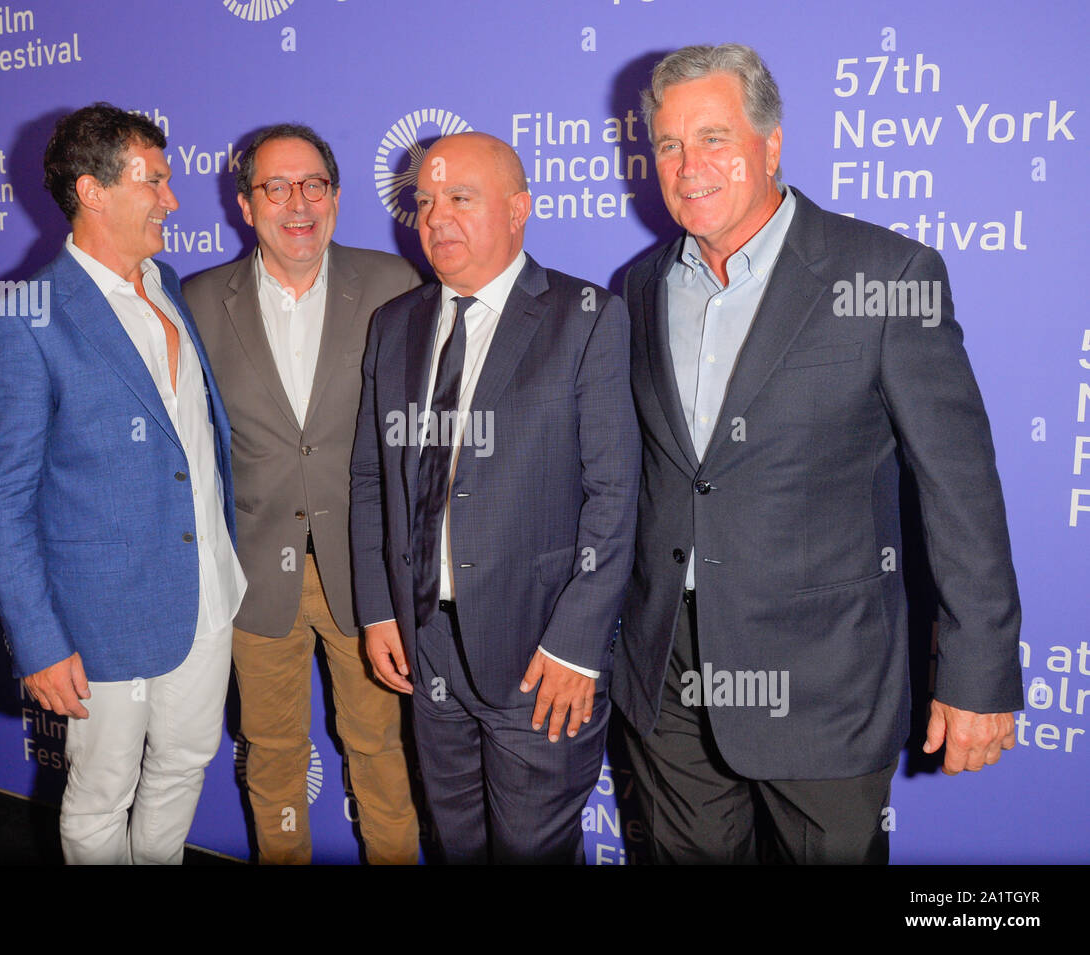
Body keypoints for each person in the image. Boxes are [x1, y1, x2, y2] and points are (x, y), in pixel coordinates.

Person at [616, 43, 1022, 864]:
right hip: (669, 682)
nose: (688, 166)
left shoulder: (887, 273)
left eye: (715, 138)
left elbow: (960, 488)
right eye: (668, 145)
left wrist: (978, 673)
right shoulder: (640, 285)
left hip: (824, 686)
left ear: (770, 145)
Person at [349, 131, 639, 864]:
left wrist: (576, 645)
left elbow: (614, 494)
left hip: (539, 653)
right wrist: (380, 607)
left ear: (520, 210)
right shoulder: (394, 325)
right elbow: (368, 479)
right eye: (423, 201)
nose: (436, 217)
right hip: (427, 644)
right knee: (457, 843)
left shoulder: (587, 317)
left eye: (460, 198)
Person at [0, 103, 246, 864]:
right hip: (102, 616)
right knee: (100, 793)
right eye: (153, 179)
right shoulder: (24, 319)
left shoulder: (167, 284)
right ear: (92, 191)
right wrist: (38, 638)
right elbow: (2, 497)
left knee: (186, 762)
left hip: (206, 593)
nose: (172, 197)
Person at [184, 124, 421, 864]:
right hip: (253, 575)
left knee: (381, 747)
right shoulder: (195, 300)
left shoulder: (394, 284)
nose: (297, 202)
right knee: (273, 751)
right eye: (276, 186)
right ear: (246, 203)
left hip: (371, 575)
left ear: (337, 198)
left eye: (314, 184)